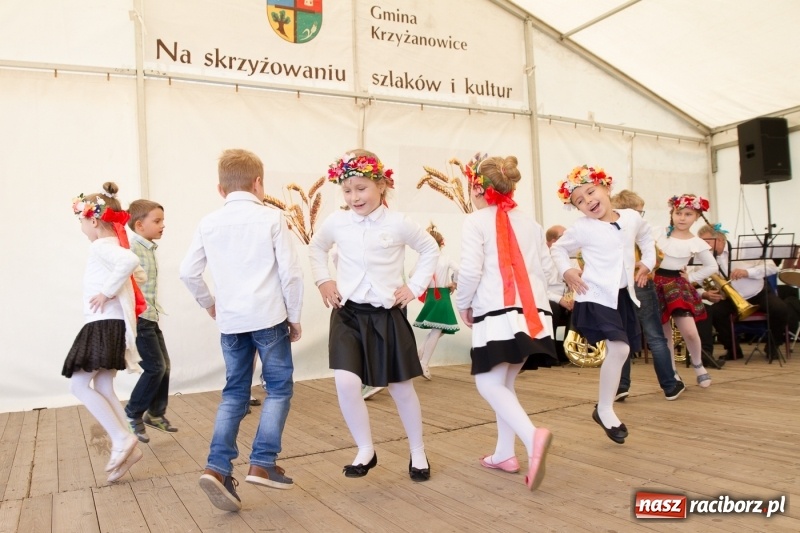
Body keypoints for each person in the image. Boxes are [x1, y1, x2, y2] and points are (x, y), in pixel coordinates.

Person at [180, 149, 304, 512]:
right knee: (278, 388)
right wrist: (294, 317)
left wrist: (209, 303)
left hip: (231, 322)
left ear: (221, 189)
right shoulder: (272, 219)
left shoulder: (208, 222)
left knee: (234, 393)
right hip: (269, 319)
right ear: (259, 183)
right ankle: (262, 462)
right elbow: (291, 275)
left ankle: (216, 469)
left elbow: (188, 272)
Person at [308, 149, 439, 482]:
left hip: (385, 316)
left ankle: (418, 451)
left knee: (400, 387)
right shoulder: (337, 222)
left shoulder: (399, 223)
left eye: (361, 188)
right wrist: (324, 280)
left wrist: (415, 286)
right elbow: (316, 248)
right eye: (348, 190)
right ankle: (366, 449)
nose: (354, 197)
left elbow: (429, 249)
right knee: (346, 382)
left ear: (381, 185)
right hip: (348, 314)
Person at [456, 154, 556, 492]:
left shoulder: (475, 221)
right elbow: (546, 270)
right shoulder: (531, 223)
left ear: (476, 187)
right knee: (504, 384)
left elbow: (470, 271)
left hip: (498, 313)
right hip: (535, 315)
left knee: (488, 384)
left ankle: (532, 437)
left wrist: (462, 303)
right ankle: (503, 454)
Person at [551, 165, 655, 444]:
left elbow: (646, 236)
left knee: (622, 350)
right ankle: (606, 408)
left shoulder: (632, 217)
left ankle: (603, 407)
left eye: (590, 192)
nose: (588, 202)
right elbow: (558, 248)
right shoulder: (582, 228)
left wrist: (648, 261)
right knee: (619, 348)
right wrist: (568, 270)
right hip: (595, 294)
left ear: (605, 187)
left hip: (622, 295)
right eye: (579, 202)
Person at [63, 182, 146, 483]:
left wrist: (106, 292)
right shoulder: (112, 246)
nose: (82, 229)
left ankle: (121, 439)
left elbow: (131, 263)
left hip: (103, 324)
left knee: (78, 386)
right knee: (104, 386)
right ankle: (127, 443)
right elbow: (135, 268)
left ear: (94, 220)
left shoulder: (101, 246)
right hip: (111, 324)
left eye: (82, 222)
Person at [610, 190, 686, 400]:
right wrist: (639, 266)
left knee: (621, 338)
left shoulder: (606, 229)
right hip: (641, 284)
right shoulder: (639, 231)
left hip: (616, 287)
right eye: (640, 212)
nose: (642, 217)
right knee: (655, 336)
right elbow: (657, 257)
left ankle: (620, 386)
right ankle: (670, 385)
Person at [695, 224, 792, 361]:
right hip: (728, 297)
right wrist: (706, 293)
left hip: (758, 292)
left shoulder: (744, 248)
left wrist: (748, 272)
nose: (704, 246)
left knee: (780, 309)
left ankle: (773, 346)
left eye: (707, 242)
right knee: (715, 313)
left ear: (721, 239)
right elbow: (695, 281)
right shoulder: (702, 258)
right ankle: (733, 350)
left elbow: (771, 268)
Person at [124, 199, 177, 442]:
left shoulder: (148, 248)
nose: (162, 225)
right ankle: (133, 412)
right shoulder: (132, 249)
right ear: (139, 224)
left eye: (162, 220)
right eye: (157, 221)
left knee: (164, 365)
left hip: (151, 316)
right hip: (141, 318)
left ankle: (155, 413)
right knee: (154, 367)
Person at [652, 194, 718, 388]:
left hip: (677, 284)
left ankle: (698, 365)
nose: (682, 218)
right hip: (655, 283)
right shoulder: (659, 233)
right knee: (664, 335)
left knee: (689, 331)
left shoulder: (696, 242)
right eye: (678, 213)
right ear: (672, 213)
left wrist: (690, 278)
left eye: (688, 214)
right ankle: (671, 371)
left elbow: (711, 266)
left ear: (696, 216)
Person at [412, 223, 460, 380]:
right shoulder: (444, 258)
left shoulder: (425, 259)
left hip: (431, 295)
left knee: (437, 330)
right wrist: (454, 282)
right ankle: (424, 362)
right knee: (438, 330)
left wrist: (425, 281)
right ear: (441, 243)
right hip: (442, 295)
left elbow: (412, 273)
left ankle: (418, 355)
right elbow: (459, 269)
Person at [545, 225, 574, 364]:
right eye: (563, 237)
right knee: (553, 308)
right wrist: (560, 299)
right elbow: (540, 289)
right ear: (551, 242)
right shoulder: (542, 260)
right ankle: (551, 353)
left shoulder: (572, 258)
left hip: (567, 299)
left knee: (581, 308)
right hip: (550, 299)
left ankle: (569, 351)